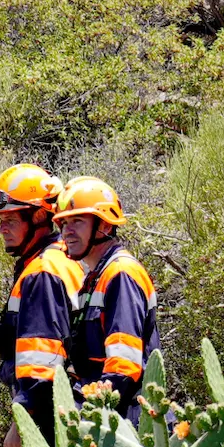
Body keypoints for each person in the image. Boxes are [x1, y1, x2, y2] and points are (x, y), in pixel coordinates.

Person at [0, 163, 84, 447]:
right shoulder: (60, 257)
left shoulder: (43, 272)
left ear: (38, 217)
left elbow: (42, 362)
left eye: (10, 219)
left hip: (53, 414)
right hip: (68, 406)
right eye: (0, 220)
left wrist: (21, 422)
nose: (2, 228)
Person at [55, 177, 157, 420]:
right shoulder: (95, 277)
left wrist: (95, 416)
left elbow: (123, 365)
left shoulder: (120, 273)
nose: (67, 231)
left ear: (105, 225)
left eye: (77, 221)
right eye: (64, 223)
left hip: (126, 418)